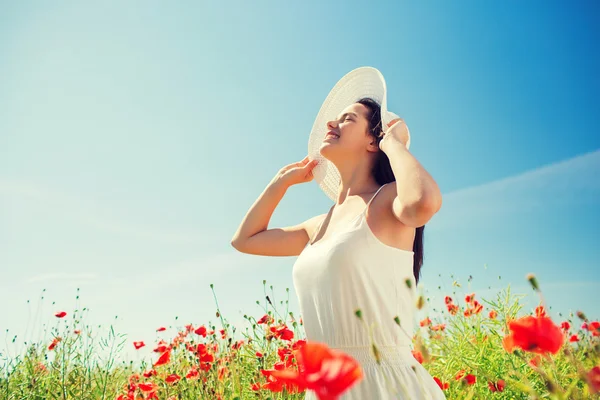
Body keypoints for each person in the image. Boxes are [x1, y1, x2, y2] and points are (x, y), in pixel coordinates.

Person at [231, 69, 445, 399]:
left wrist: (394, 142)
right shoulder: (318, 226)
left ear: (373, 140)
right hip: (329, 386)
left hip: (383, 384)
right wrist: (280, 182)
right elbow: (245, 240)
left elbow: (424, 202)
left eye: (346, 119)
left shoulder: (387, 200)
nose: (331, 125)